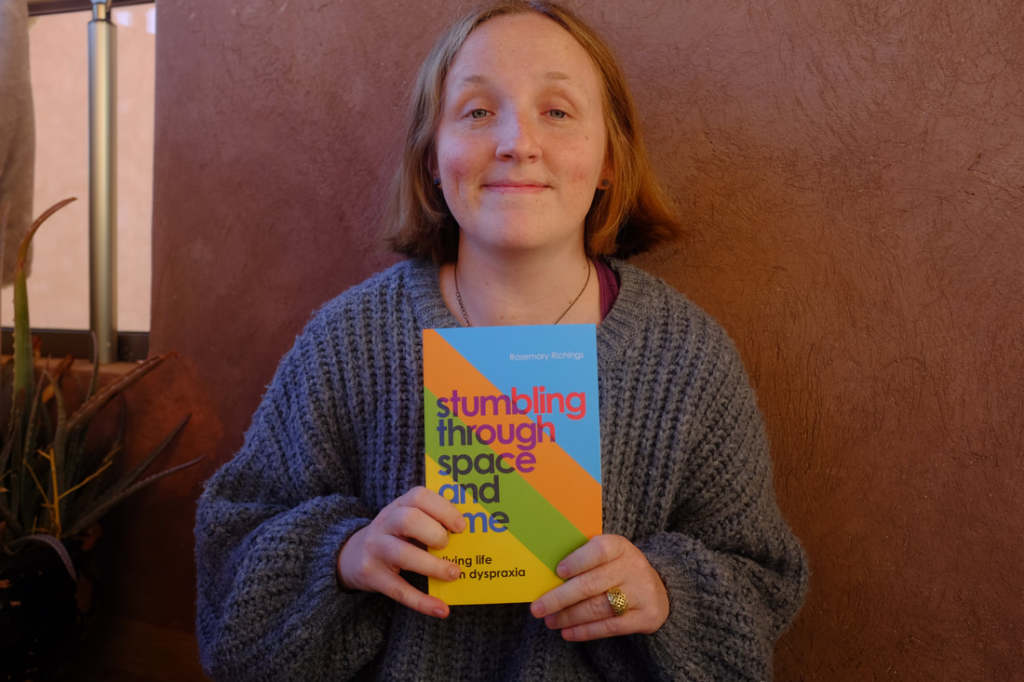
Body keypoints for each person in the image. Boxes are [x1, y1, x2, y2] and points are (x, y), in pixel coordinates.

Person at [194, 1, 809, 680]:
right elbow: (232, 563)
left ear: (610, 158)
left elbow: (761, 583)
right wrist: (344, 555)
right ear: (433, 156)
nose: (518, 141)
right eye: (478, 111)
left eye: (558, 111)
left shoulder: (689, 361)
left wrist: (667, 593)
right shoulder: (347, 344)